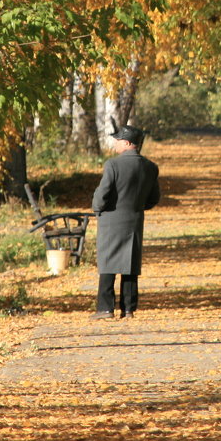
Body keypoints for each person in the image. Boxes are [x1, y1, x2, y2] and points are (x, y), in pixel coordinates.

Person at [90, 124, 160, 320]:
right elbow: (154, 198)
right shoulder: (150, 167)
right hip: (134, 220)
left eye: (118, 140)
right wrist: (137, 208)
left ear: (128, 143)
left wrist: (98, 208)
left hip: (111, 220)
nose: (115, 144)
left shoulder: (113, 165)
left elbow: (103, 193)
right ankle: (128, 309)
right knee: (130, 264)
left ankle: (105, 308)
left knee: (108, 263)